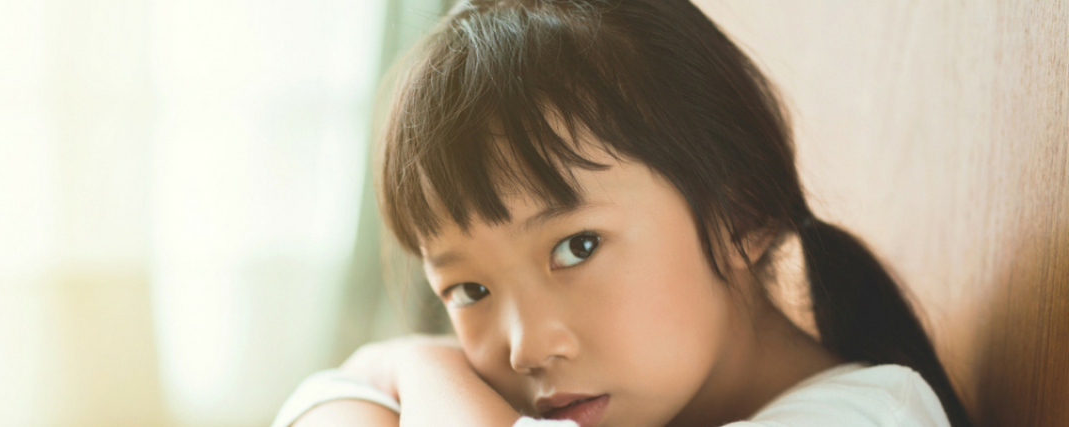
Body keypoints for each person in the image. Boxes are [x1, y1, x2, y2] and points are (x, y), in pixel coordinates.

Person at [272, 0, 972, 426]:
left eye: (576, 247)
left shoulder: (870, 416)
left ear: (742, 210)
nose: (525, 348)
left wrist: (412, 368)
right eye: (469, 288)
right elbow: (325, 397)